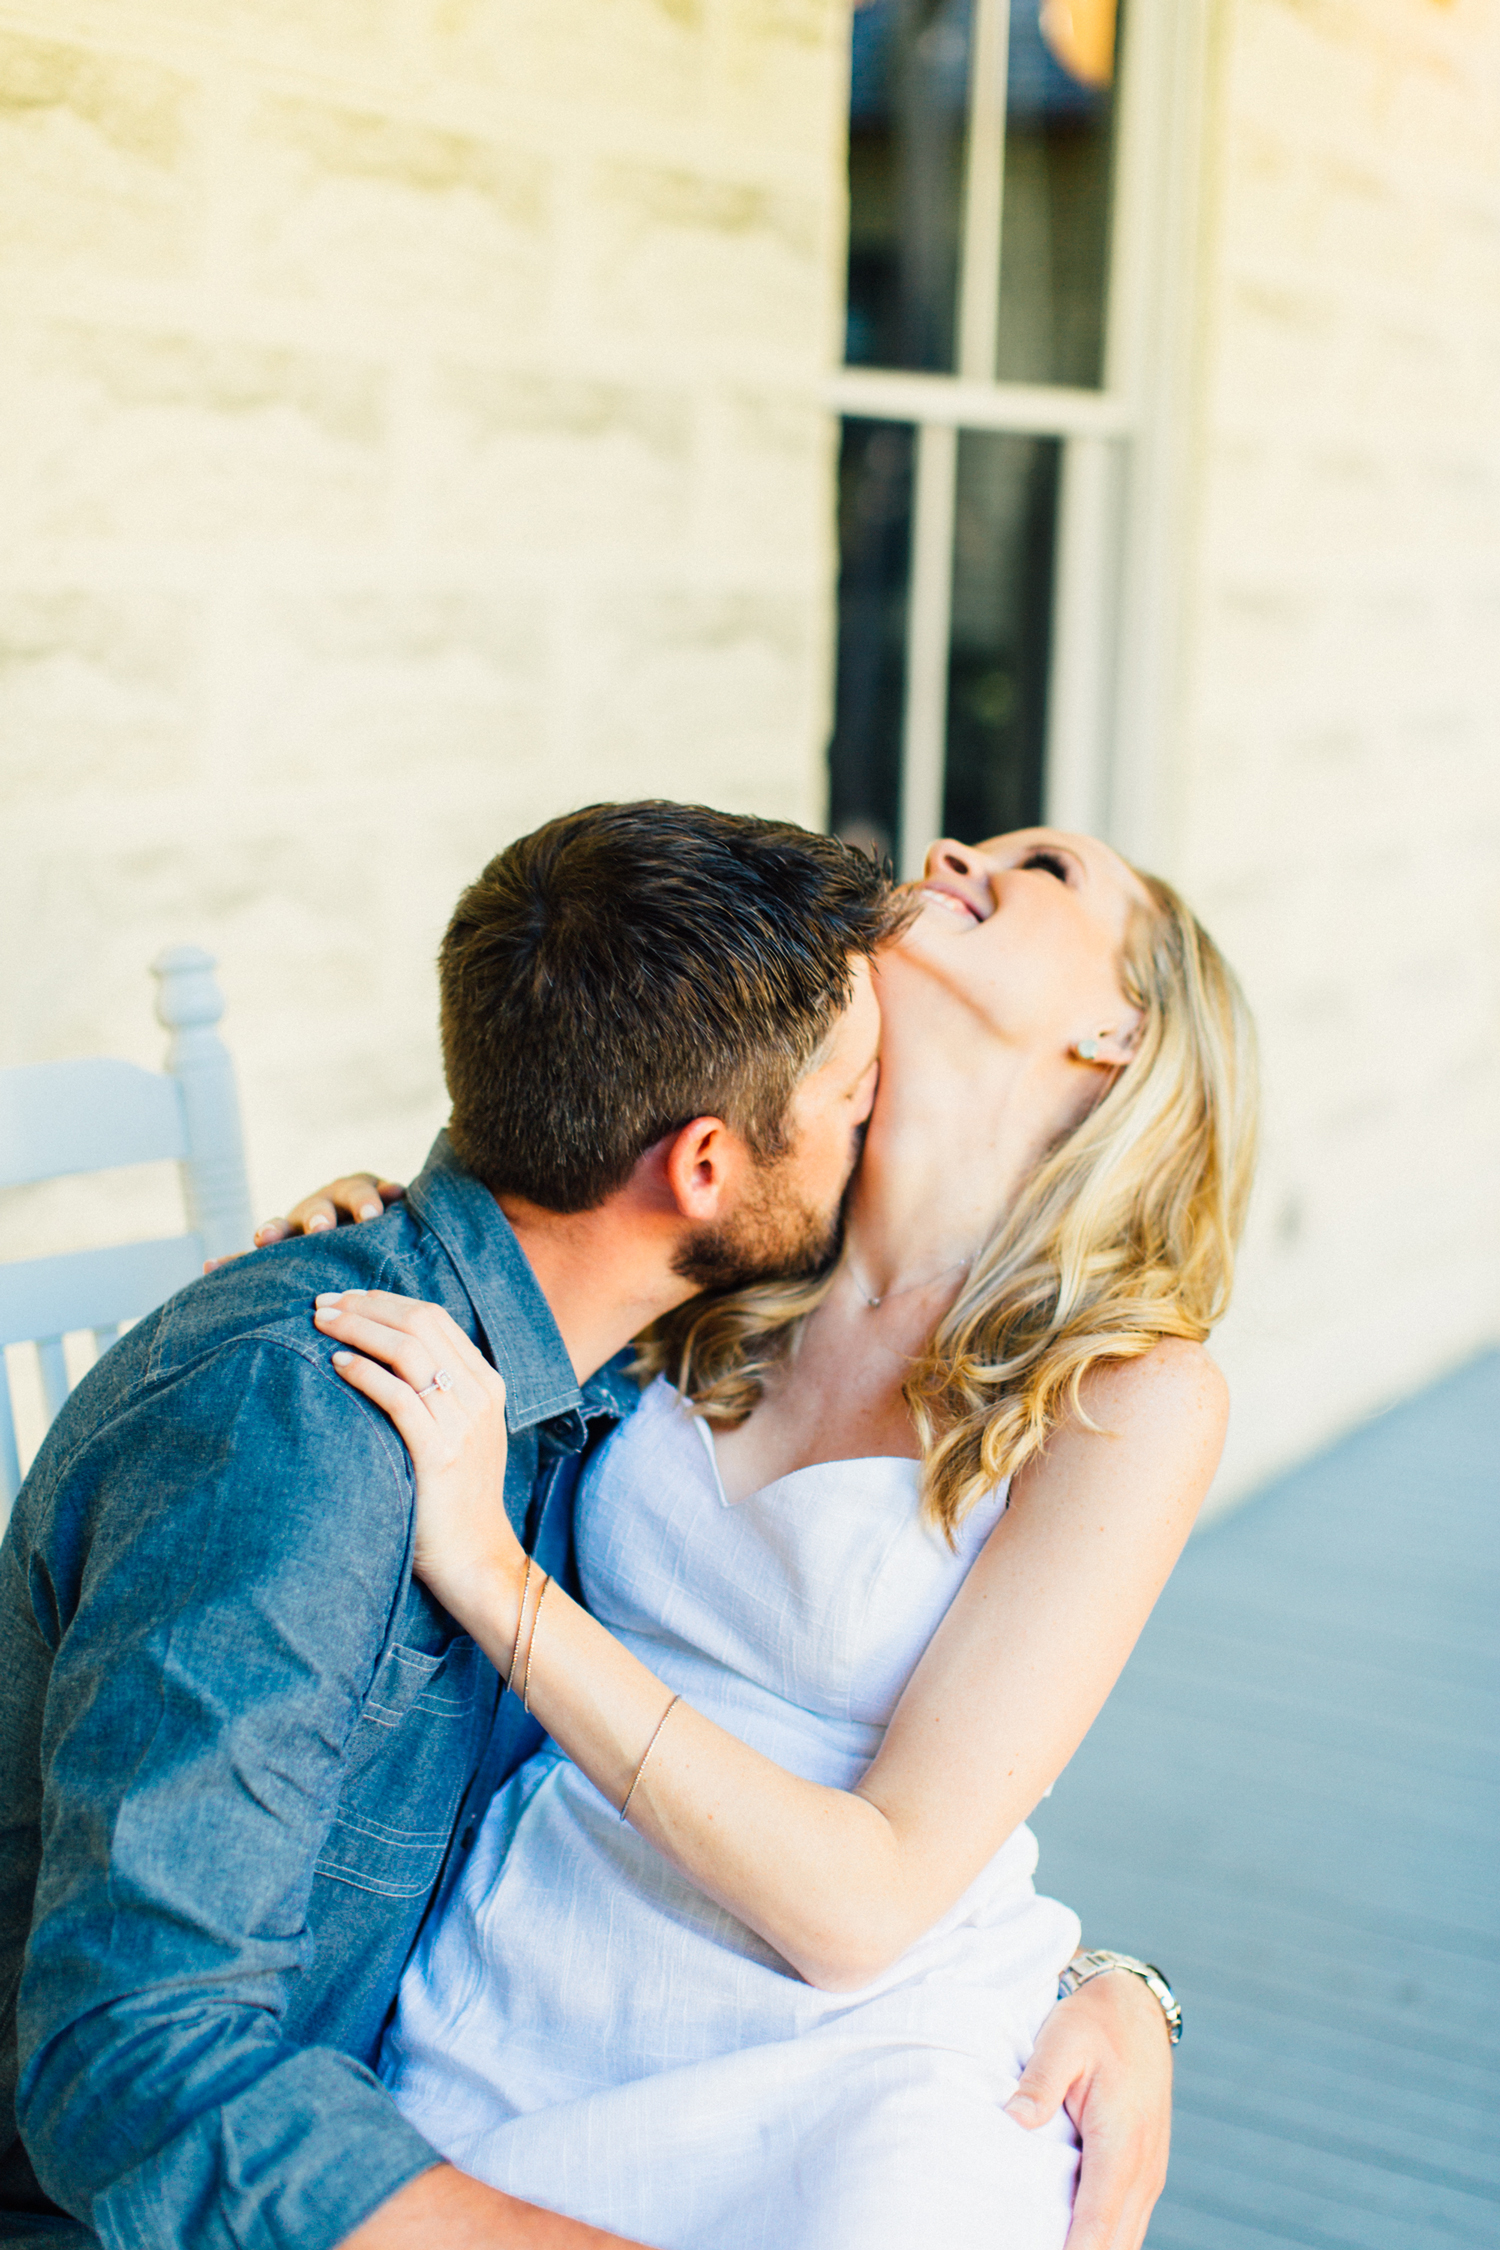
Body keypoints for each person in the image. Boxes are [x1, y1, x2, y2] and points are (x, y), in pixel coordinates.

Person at [0, 804, 1175, 2250]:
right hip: (333, 2119)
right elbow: (141, 2065)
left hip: (659, 2024)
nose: (955, 862)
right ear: (701, 1165)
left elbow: (818, 1736)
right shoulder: (321, 1421)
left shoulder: (605, 1358)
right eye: (857, 1093)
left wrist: (1110, 1984)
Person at [294, 821, 1257, 2250]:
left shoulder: (1129, 1391)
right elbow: (529, 1258)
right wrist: (367, 1246)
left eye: (1045, 868)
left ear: (1120, 1031)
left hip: (861, 2050)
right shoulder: (735, 1234)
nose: (951, 847)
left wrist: (495, 1579)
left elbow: (870, 1905)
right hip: (541, 1961)